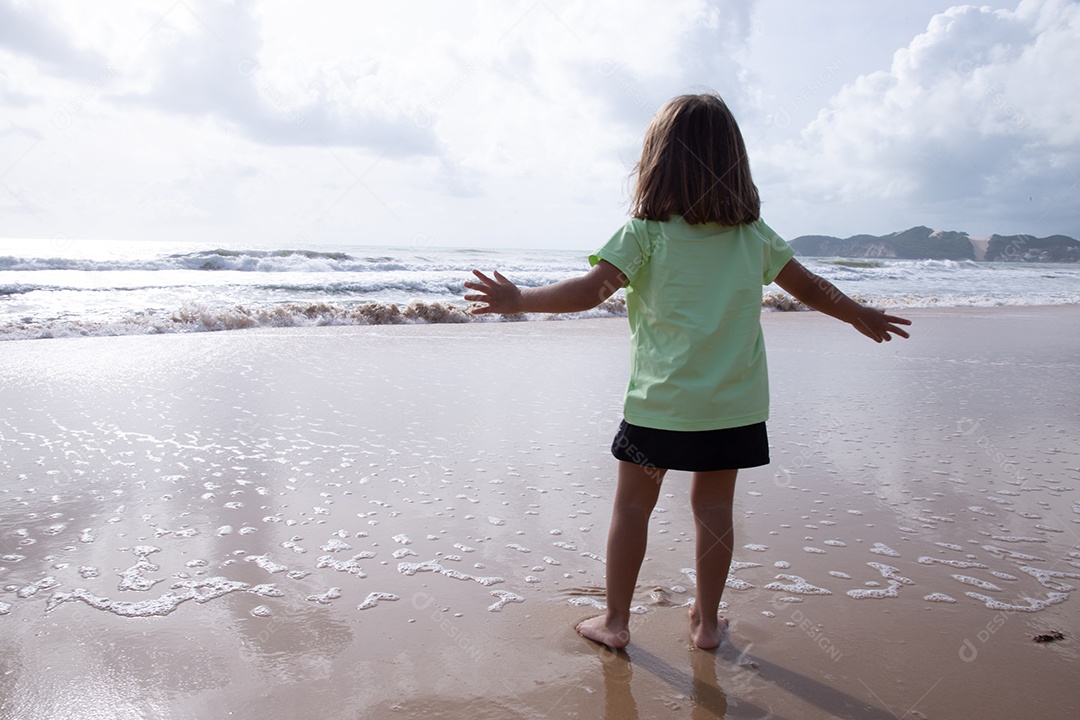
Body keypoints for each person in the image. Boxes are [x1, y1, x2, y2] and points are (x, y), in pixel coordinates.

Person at [463, 92, 911, 651]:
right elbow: (811, 289)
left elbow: (587, 293)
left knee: (632, 507)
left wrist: (519, 299)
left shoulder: (644, 234)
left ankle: (617, 622)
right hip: (732, 407)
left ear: (657, 161)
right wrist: (857, 313)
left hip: (660, 407)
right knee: (715, 510)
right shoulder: (754, 236)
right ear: (734, 163)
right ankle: (705, 623)